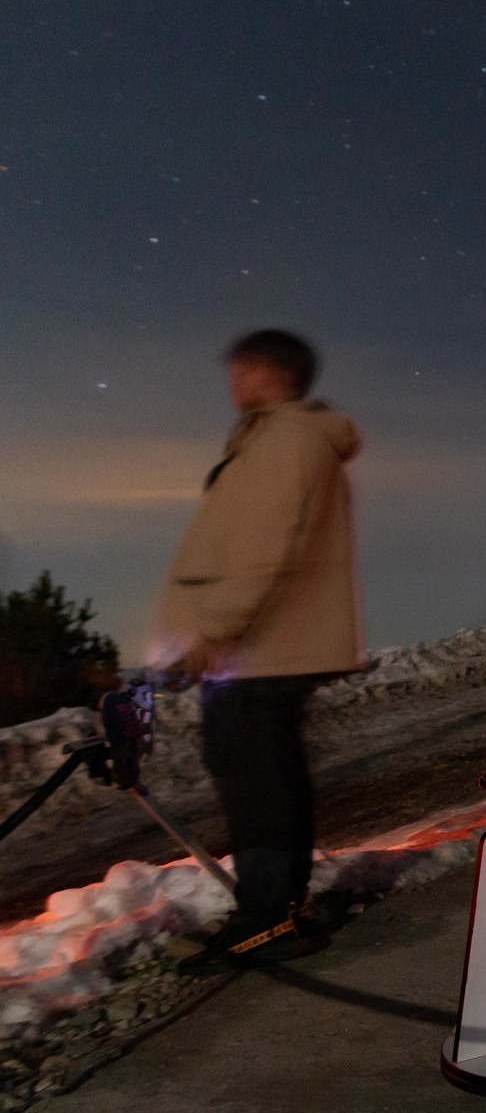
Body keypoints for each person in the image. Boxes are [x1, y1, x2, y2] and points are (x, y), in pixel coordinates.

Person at [150, 329, 363, 969]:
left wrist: (212, 630)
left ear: (267, 374)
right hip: (268, 644)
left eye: (239, 371)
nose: (232, 384)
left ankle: (267, 920)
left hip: (261, 646)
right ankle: (274, 908)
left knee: (256, 780)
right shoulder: (283, 440)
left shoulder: (284, 440)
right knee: (266, 773)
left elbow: (263, 547)